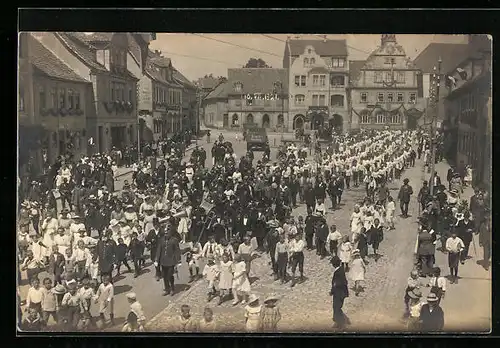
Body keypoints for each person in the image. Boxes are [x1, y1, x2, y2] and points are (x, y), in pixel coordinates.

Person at [155, 230, 181, 296]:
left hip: (171, 261)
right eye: (165, 233)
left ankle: (172, 288)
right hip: (163, 261)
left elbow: (177, 251)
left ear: (170, 233)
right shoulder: (161, 240)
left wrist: (178, 260)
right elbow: (159, 250)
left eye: (167, 233)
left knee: (170, 275)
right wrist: (156, 260)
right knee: (164, 276)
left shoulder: (174, 240)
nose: (166, 234)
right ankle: (167, 289)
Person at [329, 256, 349, 329]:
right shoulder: (340, 270)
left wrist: (335, 287)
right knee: (335, 307)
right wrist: (332, 291)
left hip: (339, 293)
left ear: (334, 264)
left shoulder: (339, 271)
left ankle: (342, 324)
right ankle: (337, 322)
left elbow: (342, 282)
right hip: (337, 292)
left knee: (337, 307)